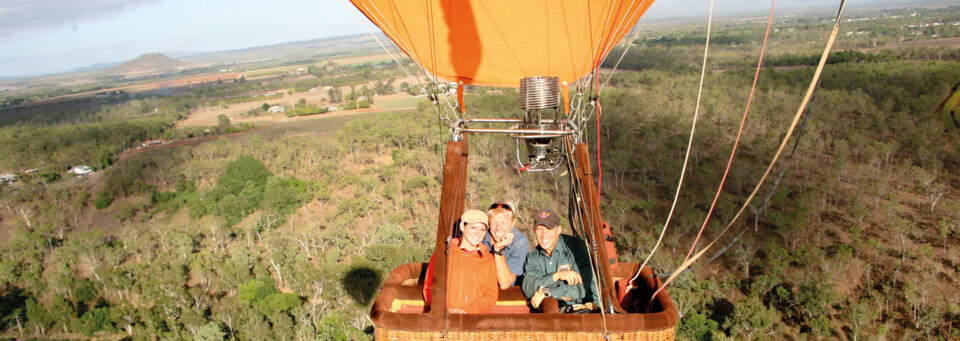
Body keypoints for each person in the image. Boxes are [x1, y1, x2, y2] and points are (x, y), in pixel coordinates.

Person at [423, 209, 499, 313]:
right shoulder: (443, 253)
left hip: (473, 319)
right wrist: (443, 311)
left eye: (482, 230)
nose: (478, 233)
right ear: (462, 226)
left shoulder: (488, 259)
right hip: (444, 318)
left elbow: (491, 295)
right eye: (473, 227)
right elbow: (429, 286)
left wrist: (468, 311)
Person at [521, 208, 598, 310]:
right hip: (554, 312)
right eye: (540, 229)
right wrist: (556, 276)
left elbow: (581, 290)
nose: (544, 234)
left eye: (549, 229)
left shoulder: (577, 248)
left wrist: (547, 292)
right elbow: (528, 288)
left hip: (585, 310)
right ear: (534, 231)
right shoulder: (533, 256)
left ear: (559, 230)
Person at [483, 201, 530, 288]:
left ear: (512, 223)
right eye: (494, 222)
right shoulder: (480, 236)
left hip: (508, 295)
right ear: (488, 223)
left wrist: (498, 250)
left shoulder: (519, 242)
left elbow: (505, 283)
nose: (498, 228)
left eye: (503, 223)